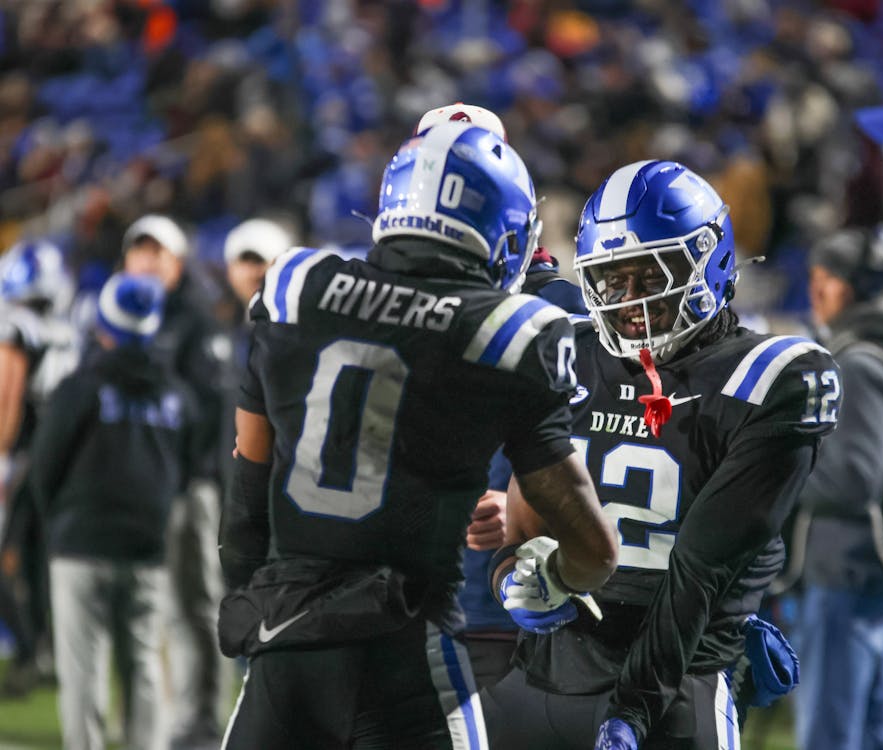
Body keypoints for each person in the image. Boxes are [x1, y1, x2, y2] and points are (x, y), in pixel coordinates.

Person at [217, 121, 618, 749]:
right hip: (406, 656)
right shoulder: (511, 333)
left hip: (285, 647)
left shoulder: (296, 286)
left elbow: (249, 470)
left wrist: (246, 587)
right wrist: (555, 569)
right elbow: (596, 550)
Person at [482, 160, 841, 750]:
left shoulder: (770, 378)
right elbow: (527, 515)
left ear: (712, 259)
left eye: (651, 278)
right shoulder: (570, 343)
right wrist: (511, 579)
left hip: (681, 676)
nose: (630, 303)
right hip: (548, 667)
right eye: (613, 280)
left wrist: (634, 711)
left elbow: (699, 573)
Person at [414, 102, 590, 690]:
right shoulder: (386, 300)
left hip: (514, 601)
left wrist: (524, 503)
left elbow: (615, 446)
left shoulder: (569, 311)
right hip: (402, 599)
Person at [30, 273, 197, 750]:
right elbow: (185, 472)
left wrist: (58, 523)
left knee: (83, 668)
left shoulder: (79, 387)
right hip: (147, 546)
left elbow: (45, 467)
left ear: (103, 325)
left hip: (81, 544)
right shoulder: (177, 395)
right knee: (142, 665)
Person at [778, 227, 883, 750]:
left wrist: (775, 472)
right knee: (878, 732)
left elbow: (854, 479)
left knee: (829, 733)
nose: (816, 291)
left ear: (858, 288)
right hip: (875, 567)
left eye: (830, 280)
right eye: (813, 279)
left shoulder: (859, 362)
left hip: (848, 569)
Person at [120, 214, 230, 746]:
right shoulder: (123, 318)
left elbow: (208, 414)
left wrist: (181, 479)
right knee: (151, 609)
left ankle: (201, 721)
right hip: (142, 488)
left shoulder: (195, 318)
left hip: (185, 487)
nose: (146, 261)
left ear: (177, 260)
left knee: (192, 606)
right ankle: (163, 721)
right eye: (138, 251)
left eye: (156, 252)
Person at [0, 239, 78, 696]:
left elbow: (8, 396)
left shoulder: (17, 326)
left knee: (10, 556)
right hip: (58, 456)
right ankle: (46, 649)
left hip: (24, 454)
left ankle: (30, 651)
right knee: (38, 559)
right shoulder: (64, 329)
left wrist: (3, 455)